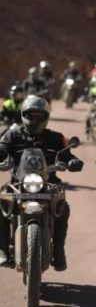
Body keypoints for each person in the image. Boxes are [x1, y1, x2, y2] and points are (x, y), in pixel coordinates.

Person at [0, 95, 83, 268]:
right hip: (18, 183)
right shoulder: (13, 134)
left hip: (48, 183)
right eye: (31, 115)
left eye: (39, 116)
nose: (34, 119)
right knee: (0, 203)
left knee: (63, 208)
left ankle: (59, 251)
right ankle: (2, 249)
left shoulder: (56, 137)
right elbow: (2, 147)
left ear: (46, 117)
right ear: (24, 115)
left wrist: (72, 161)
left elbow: (68, 154)